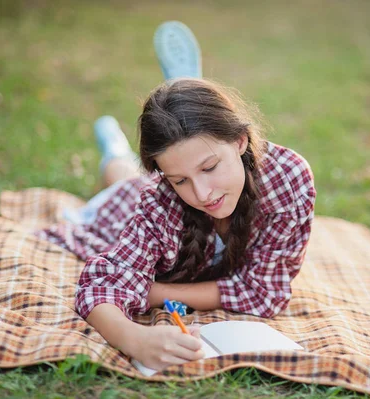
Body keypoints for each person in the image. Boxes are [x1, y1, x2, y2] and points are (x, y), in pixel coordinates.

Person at [35, 21, 316, 370]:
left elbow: (264, 292)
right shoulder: (159, 199)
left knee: (141, 173)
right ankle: (114, 149)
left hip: (168, 181)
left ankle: (180, 94)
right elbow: (100, 286)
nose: (202, 194)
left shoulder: (288, 178)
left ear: (240, 141)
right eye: (181, 180)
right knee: (122, 183)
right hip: (127, 204)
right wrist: (134, 338)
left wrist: (152, 292)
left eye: (210, 167)